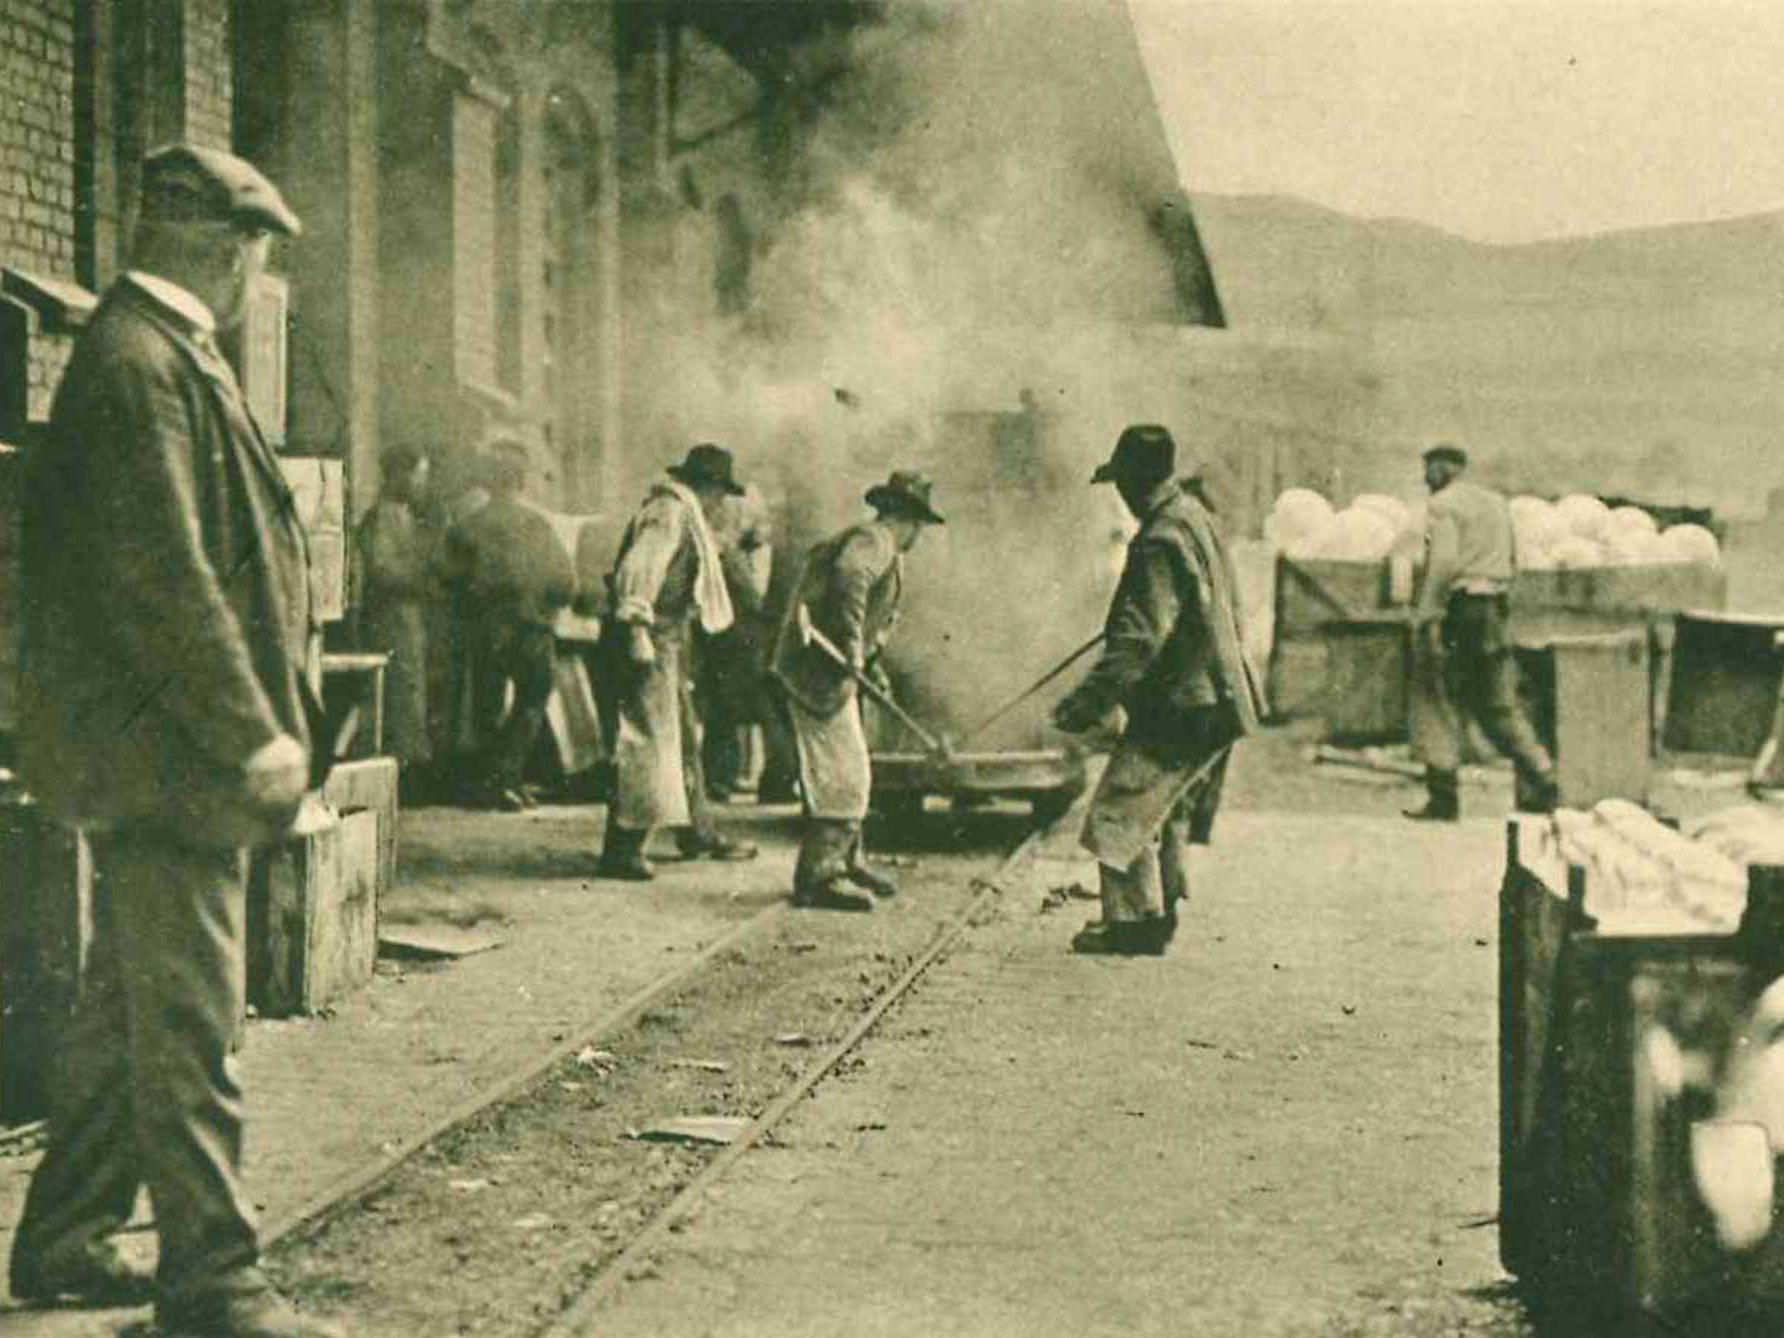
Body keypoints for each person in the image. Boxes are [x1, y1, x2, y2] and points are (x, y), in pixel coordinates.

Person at [8, 144, 342, 1336]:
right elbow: (167, 575)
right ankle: (215, 1281)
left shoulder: (151, 355)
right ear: (228, 245)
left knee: (124, 1008)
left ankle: (62, 1237)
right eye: (257, 251)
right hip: (171, 757)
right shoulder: (142, 362)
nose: (258, 272)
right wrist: (251, 730)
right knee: (196, 1017)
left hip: (157, 749)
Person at [1052, 425, 1264, 956]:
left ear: (1132, 483)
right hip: (1219, 696)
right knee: (1161, 808)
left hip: (1182, 704)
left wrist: (1087, 703)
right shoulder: (1195, 518)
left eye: (1122, 482)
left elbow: (1141, 640)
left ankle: (1133, 927)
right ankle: (1161, 910)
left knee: (1117, 811)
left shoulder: (1158, 540)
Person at [772, 471, 945, 911]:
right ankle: (819, 876)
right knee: (843, 774)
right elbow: (851, 579)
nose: (919, 536)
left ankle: (848, 860)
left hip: (832, 672)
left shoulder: (884, 547)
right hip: (816, 672)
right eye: (919, 526)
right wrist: (851, 649)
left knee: (852, 765)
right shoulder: (875, 541)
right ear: (906, 519)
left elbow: (869, 618)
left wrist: (868, 662)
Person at [597, 444, 762, 879]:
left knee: (684, 739)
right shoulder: (668, 512)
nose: (721, 503)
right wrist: (636, 630)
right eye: (720, 493)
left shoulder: (686, 514)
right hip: (646, 635)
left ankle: (697, 831)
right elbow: (639, 571)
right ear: (705, 488)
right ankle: (623, 847)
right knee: (647, 741)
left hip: (667, 636)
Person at [1405, 443, 1559, 821]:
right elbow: (1512, 559)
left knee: (1435, 697)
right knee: (1496, 703)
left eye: (1429, 469)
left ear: (1444, 469)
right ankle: (1545, 778)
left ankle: (1444, 798)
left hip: (1462, 611)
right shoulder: (1495, 503)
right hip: (1493, 610)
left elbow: (1442, 561)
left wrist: (1425, 613)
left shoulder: (1443, 506)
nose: (1425, 478)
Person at [444, 438, 576, 811]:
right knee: (532, 700)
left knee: (486, 706)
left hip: (485, 631)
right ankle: (507, 777)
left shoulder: (466, 527)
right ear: (521, 481)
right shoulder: (537, 525)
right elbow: (565, 583)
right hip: (532, 628)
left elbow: (446, 579)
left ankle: (494, 783)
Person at [356, 444, 435, 800]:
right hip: (390, 617)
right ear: (400, 475)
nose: (423, 483)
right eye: (419, 475)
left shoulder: (402, 514)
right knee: (397, 695)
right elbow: (383, 569)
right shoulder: (383, 516)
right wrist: (426, 578)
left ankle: (407, 769)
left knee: (410, 692)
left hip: (407, 617)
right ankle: (396, 775)